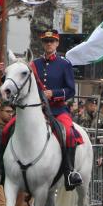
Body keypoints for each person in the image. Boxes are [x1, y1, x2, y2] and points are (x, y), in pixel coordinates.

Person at [32, 29, 83, 189]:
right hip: (35, 110)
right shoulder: (34, 65)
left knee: (69, 133)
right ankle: (2, 169)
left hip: (57, 110)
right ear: (42, 43)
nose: (49, 44)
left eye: (52, 41)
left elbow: (70, 90)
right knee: (8, 128)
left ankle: (69, 173)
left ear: (57, 43)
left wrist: (53, 93)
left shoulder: (64, 64)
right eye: (46, 41)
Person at [0, 101, 28, 206]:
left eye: (11, 112)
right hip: (9, 172)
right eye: (7, 111)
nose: (10, 114)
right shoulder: (4, 127)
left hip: (19, 173)